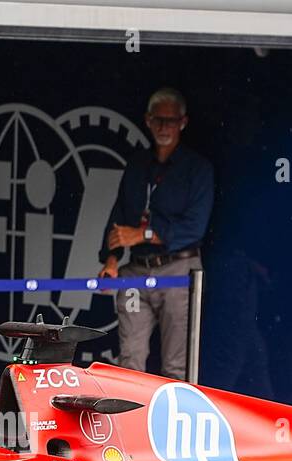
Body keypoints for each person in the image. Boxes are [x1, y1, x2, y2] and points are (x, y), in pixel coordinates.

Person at [99, 87, 213, 380]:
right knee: (130, 363)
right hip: (137, 270)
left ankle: (170, 426)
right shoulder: (137, 164)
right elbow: (118, 219)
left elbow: (194, 229)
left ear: (183, 123)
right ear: (147, 121)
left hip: (178, 271)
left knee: (176, 367)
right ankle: (129, 425)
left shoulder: (197, 169)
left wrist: (144, 235)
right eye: (158, 120)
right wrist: (111, 260)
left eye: (171, 121)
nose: (164, 127)